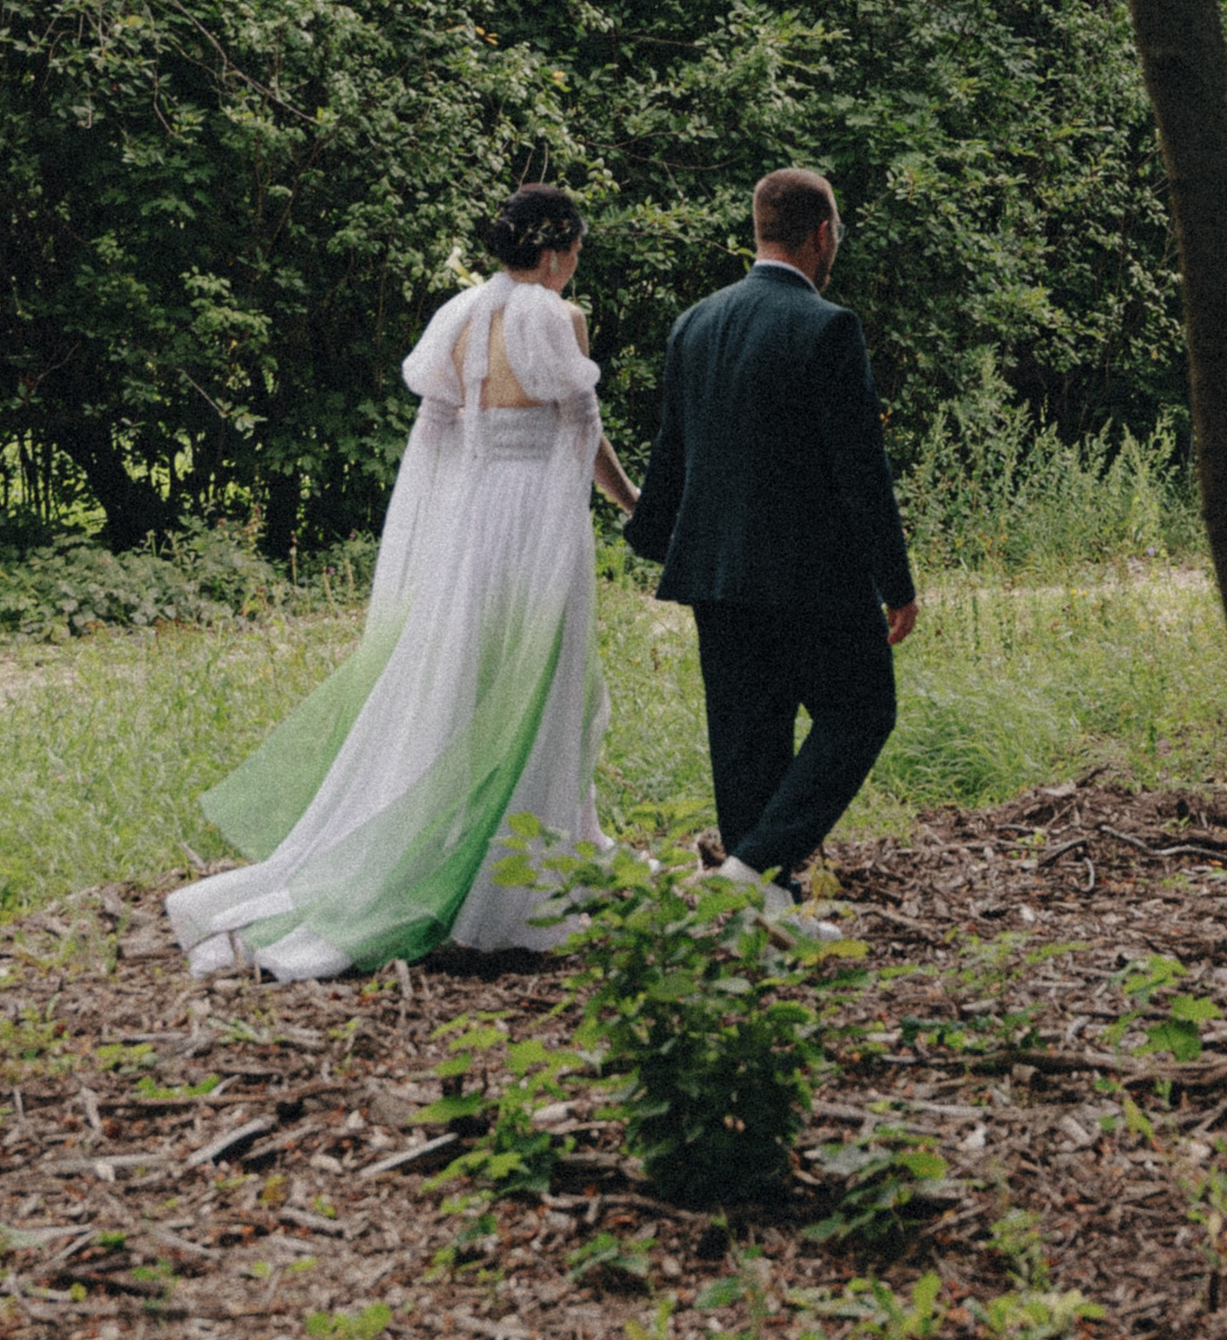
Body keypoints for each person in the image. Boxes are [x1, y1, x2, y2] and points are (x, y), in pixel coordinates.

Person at [164, 185, 640, 980]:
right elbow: (583, 433)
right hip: (532, 530)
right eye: (576, 251)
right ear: (557, 250)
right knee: (545, 687)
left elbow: (437, 447)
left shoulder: (457, 318)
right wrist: (635, 503)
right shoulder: (558, 318)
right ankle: (524, 882)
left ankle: (512, 843)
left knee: (461, 688)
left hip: (468, 530)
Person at [625, 167, 918, 919]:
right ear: (822, 233)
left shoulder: (695, 322)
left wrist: (657, 537)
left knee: (746, 743)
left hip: (715, 573)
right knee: (860, 713)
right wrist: (897, 579)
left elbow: (673, 452)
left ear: (760, 228)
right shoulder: (827, 326)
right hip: (813, 575)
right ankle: (751, 870)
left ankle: (763, 912)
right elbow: (861, 469)